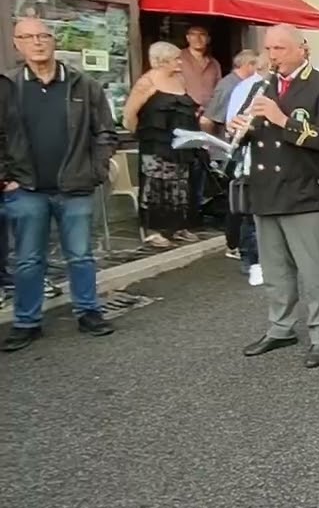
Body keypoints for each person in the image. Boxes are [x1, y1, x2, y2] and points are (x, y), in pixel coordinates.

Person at [1, 17, 117, 352]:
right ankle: (27, 321)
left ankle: (88, 312)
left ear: (54, 41)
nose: (36, 42)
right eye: (27, 37)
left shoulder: (83, 84)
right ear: (16, 44)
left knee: (80, 255)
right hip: (25, 188)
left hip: (75, 186)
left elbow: (104, 132)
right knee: (27, 259)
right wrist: (4, 178)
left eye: (43, 36)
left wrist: (95, 170)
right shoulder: (8, 85)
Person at [232, 24, 319, 369]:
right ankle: (281, 328)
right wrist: (242, 128)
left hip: (304, 191)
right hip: (266, 191)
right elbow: (256, 130)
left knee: (313, 271)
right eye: (269, 49)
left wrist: (282, 119)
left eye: (279, 49)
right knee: (276, 269)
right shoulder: (264, 85)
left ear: (301, 49)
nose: (272, 56)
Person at [122, 42, 201, 249]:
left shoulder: (180, 79)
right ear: (163, 61)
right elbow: (129, 114)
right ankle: (153, 230)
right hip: (156, 143)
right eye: (176, 58)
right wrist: (140, 134)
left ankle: (178, 226)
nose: (180, 61)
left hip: (181, 143)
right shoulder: (146, 82)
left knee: (180, 185)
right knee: (155, 185)